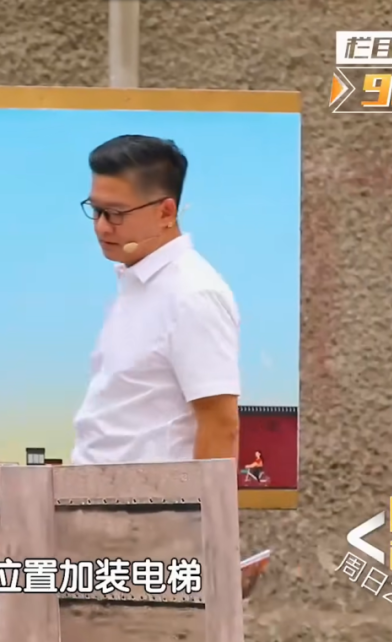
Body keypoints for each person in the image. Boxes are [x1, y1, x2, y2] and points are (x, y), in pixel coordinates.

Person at [72, 135, 241, 465]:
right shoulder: (139, 286)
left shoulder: (193, 294)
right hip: (98, 491)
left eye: (115, 213)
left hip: (151, 498)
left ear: (166, 212)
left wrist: (202, 501)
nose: (101, 227)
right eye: (96, 211)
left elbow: (221, 425)